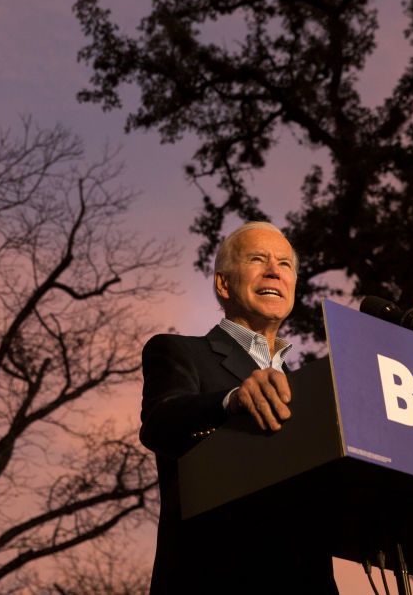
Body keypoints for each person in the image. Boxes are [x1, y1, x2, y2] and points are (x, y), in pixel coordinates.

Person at [140, 221, 338, 593]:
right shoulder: (180, 352)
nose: (274, 272)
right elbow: (159, 422)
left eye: (285, 264)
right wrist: (231, 401)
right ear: (223, 283)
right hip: (215, 578)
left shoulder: (310, 390)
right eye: (258, 259)